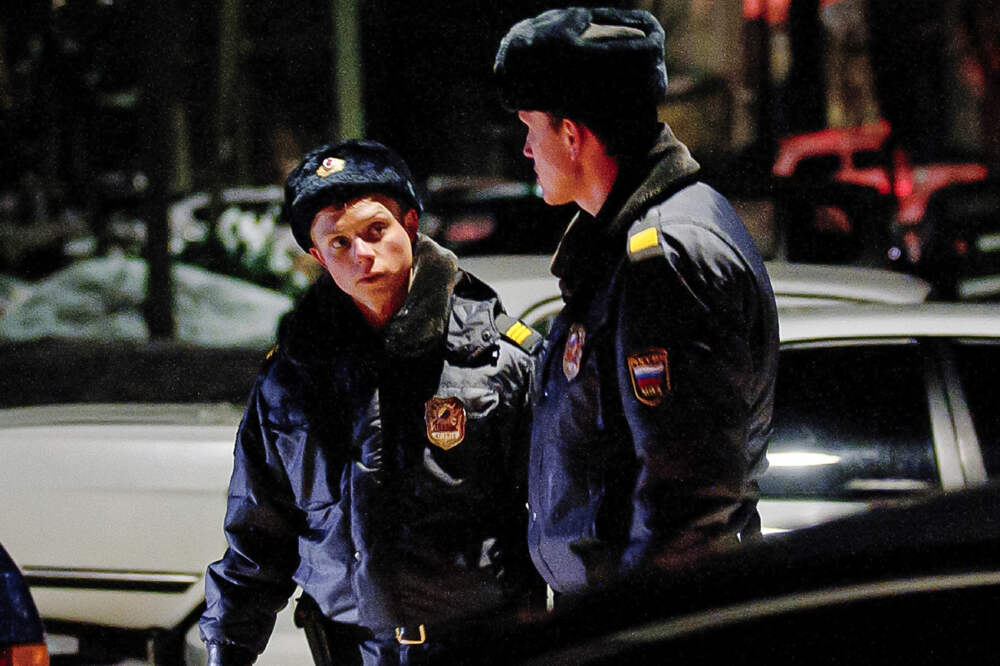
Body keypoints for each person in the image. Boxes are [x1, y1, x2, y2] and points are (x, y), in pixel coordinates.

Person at [198, 139, 542, 665]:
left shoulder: (498, 360)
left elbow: (559, 522)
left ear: (409, 224)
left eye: (375, 230)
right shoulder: (292, 378)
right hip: (350, 651)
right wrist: (227, 650)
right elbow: (257, 539)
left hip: (480, 645)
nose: (361, 254)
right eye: (338, 242)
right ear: (317, 256)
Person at [493, 7, 779, 595]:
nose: (525, 149)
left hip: (645, 612)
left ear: (570, 133)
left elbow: (689, 508)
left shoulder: (665, 255)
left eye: (530, 128)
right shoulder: (630, 240)